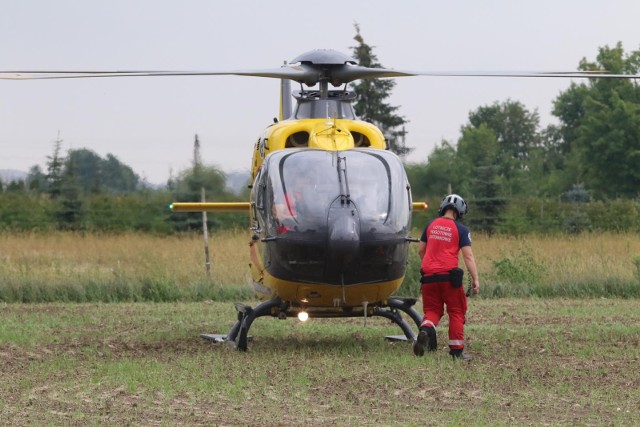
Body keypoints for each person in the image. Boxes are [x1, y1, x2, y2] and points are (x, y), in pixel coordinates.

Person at [413, 194, 480, 361]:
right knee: (457, 312)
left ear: (442, 207)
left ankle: (425, 330)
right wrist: (476, 279)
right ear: (460, 212)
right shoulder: (462, 230)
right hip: (449, 278)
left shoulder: (430, 225)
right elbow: (468, 256)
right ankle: (456, 352)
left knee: (432, 312)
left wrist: (430, 266)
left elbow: (421, 250)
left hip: (428, 277)